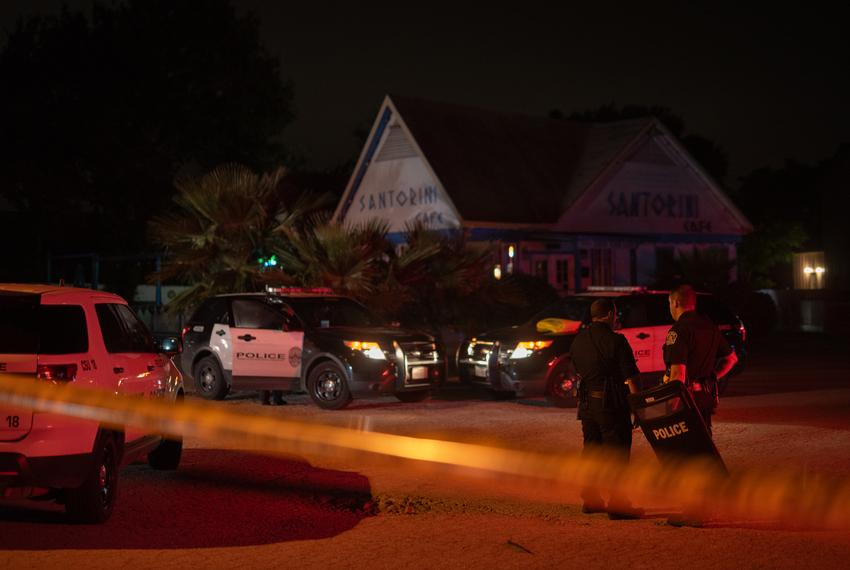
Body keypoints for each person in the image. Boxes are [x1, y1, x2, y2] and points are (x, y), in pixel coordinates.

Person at [570, 298, 642, 519]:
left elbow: (578, 372)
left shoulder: (577, 342)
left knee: (592, 452)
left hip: (586, 405)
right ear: (611, 314)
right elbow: (631, 377)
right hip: (611, 404)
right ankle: (618, 503)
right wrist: (639, 408)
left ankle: (591, 499)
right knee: (617, 453)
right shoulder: (616, 341)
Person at [663, 285, 738, 435]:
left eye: (669, 303)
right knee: (703, 441)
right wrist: (714, 377)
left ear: (676, 302)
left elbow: (678, 375)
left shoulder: (679, 330)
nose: (670, 307)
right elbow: (732, 359)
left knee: (685, 449)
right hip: (705, 398)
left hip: (685, 400)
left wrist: (671, 408)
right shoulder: (710, 327)